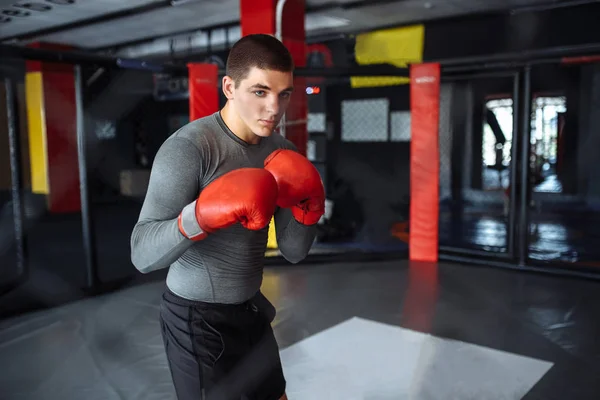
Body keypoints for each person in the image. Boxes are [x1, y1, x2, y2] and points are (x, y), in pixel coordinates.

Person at [130, 34, 325, 400]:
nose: (274, 108)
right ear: (229, 87)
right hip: (195, 321)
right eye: (260, 91)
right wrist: (199, 217)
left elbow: (294, 252)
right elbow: (141, 254)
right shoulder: (190, 148)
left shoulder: (283, 152)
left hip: (250, 310)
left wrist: (309, 209)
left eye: (284, 94)